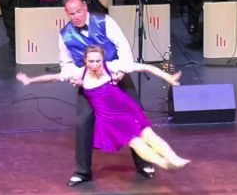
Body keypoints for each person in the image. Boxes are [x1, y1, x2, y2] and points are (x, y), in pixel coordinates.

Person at [18, 45, 190, 170]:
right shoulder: (80, 73)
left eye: (98, 61)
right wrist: (30, 80)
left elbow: (144, 67)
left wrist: (168, 77)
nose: (95, 64)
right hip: (110, 121)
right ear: (85, 60)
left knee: (150, 136)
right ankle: (164, 164)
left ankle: (174, 158)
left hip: (126, 111)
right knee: (137, 144)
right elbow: (53, 77)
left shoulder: (112, 67)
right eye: (91, 61)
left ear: (103, 59)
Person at [54, 0, 157, 186]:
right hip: (90, 84)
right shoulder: (65, 35)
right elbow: (66, 64)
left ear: (85, 7)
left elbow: (123, 47)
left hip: (116, 77)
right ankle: (82, 171)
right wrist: (75, 77)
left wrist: (120, 70)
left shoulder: (105, 22)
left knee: (134, 116)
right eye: (72, 13)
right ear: (66, 13)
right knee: (83, 123)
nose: (76, 16)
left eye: (79, 11)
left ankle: (144, 163)